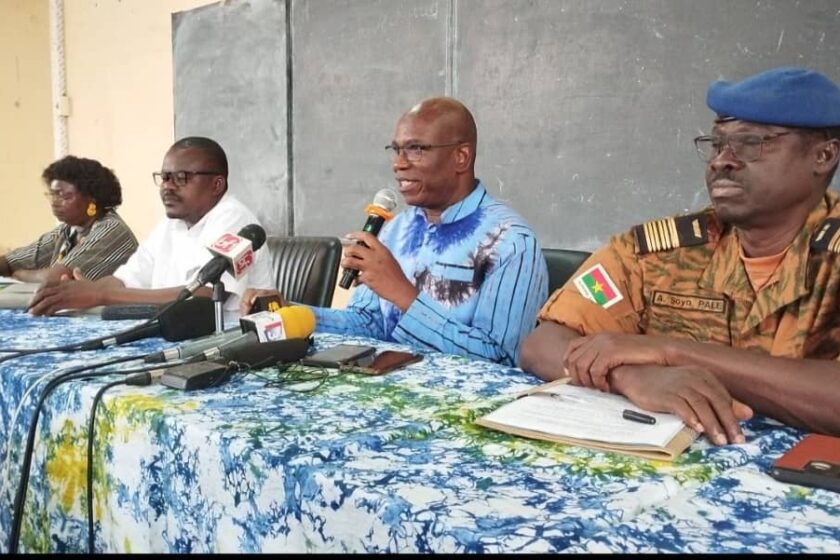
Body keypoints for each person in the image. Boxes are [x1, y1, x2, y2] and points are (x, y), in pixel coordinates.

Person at [519, 67, 840, 445]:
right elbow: (544, 343)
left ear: (823, 156)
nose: (723, 161)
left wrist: (669, 352)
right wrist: (630, 376)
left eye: (752, 143)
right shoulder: (654, 253)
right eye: (718, 144)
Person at [241, 97, 548, 365]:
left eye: (415, 149)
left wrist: (403, 294)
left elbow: (502, 359)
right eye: (396, 150)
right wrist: (291, 313)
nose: (398, 164)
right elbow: (368, 322)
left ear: (461, 157)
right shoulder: (397, 228)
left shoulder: (511, 242)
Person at [28, 136, 274, 317]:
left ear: (216, 185)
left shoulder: (235, 219)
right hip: (174, 335)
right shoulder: (172, 223)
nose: (167, 186)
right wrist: (83, 290)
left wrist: (98, 295)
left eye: (180, 178)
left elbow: (203, 296)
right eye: (164, 177)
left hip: (229, 347)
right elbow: (126, 280)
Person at [0, 155, 138, 284]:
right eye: (53, 195)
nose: (54, 202)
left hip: (113, 309)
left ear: (92, 200)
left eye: (64, 196)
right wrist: (13, 269)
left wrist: (18, 275)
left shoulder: (111, 230)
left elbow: (57, 278)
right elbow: (10, 262)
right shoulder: (68, 230)